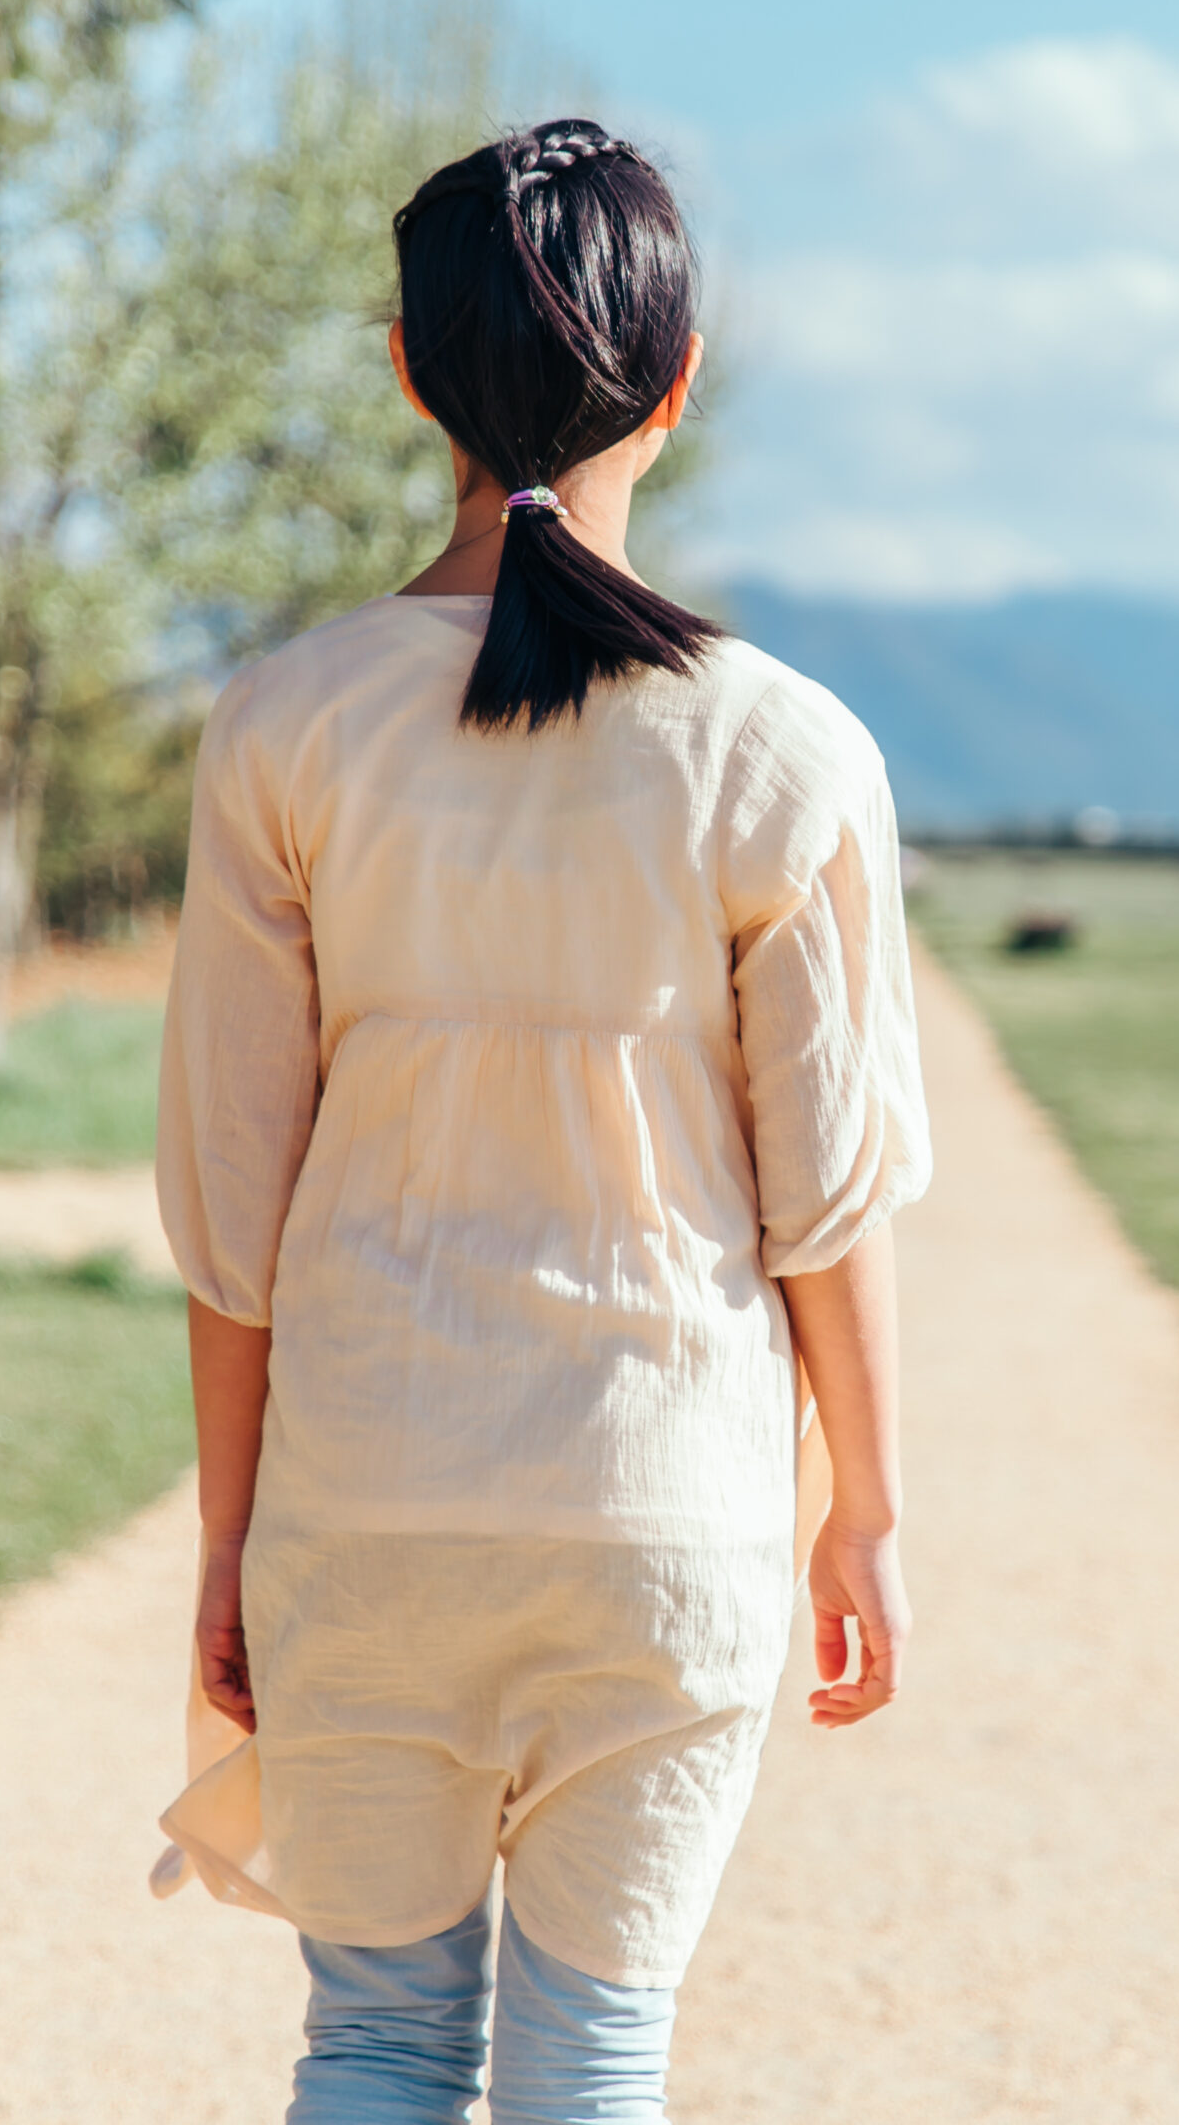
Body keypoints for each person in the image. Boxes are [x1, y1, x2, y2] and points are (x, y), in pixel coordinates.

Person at [157, 118, 929, 2125]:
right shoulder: (788, 749)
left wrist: (231, 1534)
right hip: (665, 1519)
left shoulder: (288, 723)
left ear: (410, 373)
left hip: (370, 1493)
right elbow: (825, 1203)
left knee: (380, 2047)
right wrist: (866, 1508)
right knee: (596, 2059)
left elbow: (231, 1204)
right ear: (675, 391)